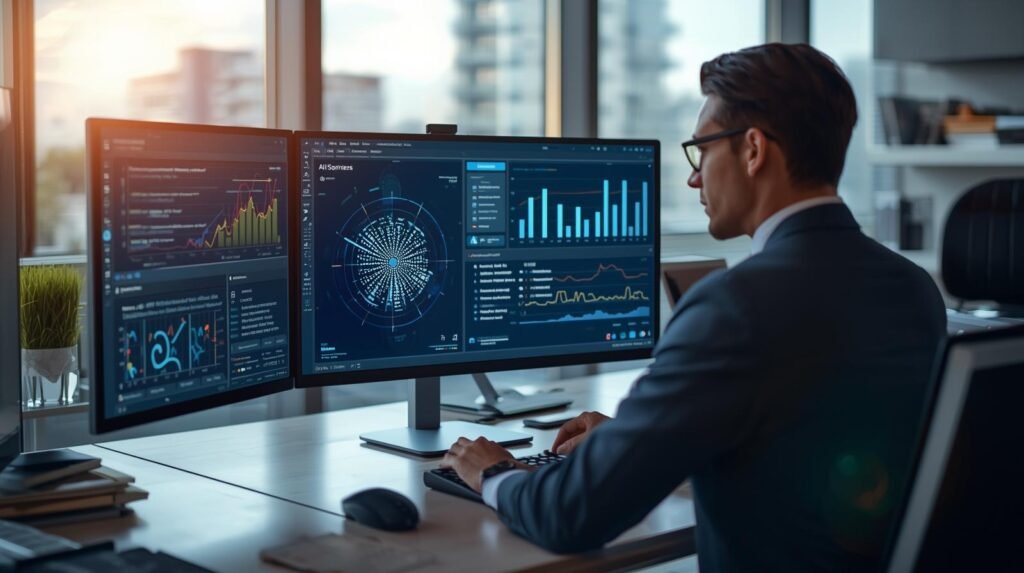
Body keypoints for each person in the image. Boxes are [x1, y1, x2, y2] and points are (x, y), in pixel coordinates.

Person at [441, 43, 947, 571]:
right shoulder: (913, 288)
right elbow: (805, 441)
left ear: (753, 150)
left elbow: (572, 517)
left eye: (701, 149)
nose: (694, 177)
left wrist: (496, 473)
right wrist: (642, 441)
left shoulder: (734, 306)